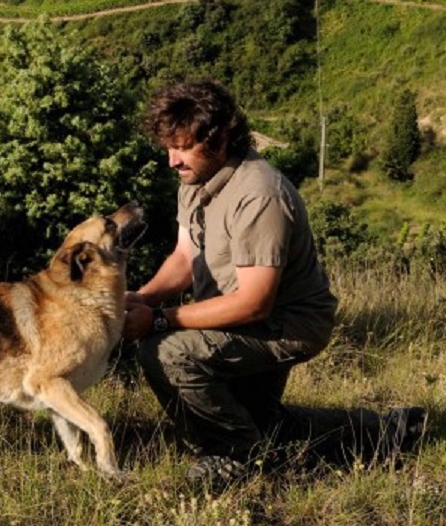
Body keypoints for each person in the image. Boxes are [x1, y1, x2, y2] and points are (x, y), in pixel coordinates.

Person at [122, 80, 425, 485]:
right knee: (267, 425)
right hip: (239, 317)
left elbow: (254, 302)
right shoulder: (195, 181)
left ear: (220, 136)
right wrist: (139, 297)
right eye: (168, 146)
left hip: (284, 324)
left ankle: (237, 457)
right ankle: (387, 430)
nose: (172, 160)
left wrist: (158, 319)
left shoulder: (259, 194)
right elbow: (185, 257)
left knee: (165, 351)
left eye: (183, 146)